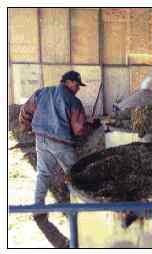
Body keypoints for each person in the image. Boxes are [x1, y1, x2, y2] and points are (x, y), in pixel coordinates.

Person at [19, 70, 101, 248]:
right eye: (77, 84)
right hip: (61, 143)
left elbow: (25, 110)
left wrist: (26, 125)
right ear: (69, 82)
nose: (78, 88)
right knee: (75, 174)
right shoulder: (73, 101)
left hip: (41, 139)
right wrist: (91, 127)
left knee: (43, 173)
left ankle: (37, 209)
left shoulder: (42, 92)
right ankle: (79, 210)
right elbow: (79, 129)